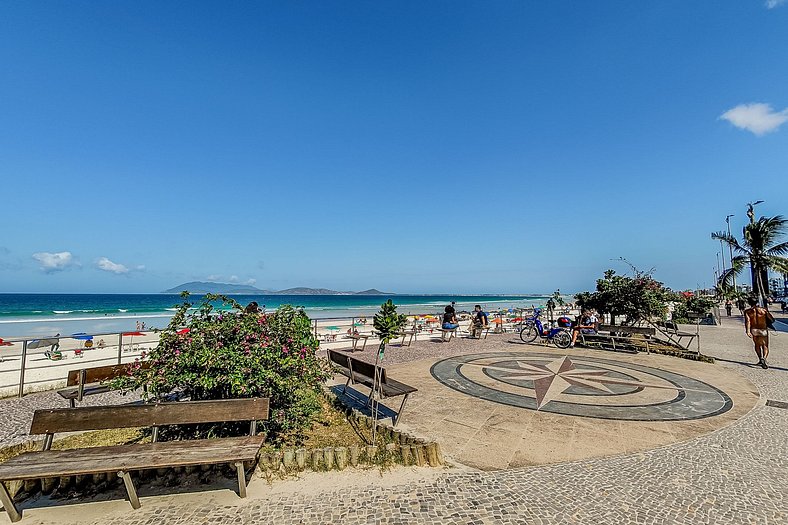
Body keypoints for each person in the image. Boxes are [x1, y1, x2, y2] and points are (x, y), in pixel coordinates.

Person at [744, 296, 774, 369]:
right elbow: (772, 319)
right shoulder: (763, 310)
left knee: (757, 345)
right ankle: (764, 358)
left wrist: (748, 331)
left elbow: (748, 322)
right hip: (763, 329)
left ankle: (760, 359)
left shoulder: (748, 311)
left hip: (754, 330)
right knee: (765, 345)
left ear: (749, 303)